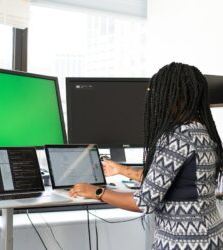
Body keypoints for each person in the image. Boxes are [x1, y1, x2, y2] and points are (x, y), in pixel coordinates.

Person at [69, 62, 223, 249]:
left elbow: (143, 202)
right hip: (211, 237)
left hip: (184, 242)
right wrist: (122, 170)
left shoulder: (176, 137)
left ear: (172, 96)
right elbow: (174, 181)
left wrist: (96, 192)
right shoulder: (202, 131)